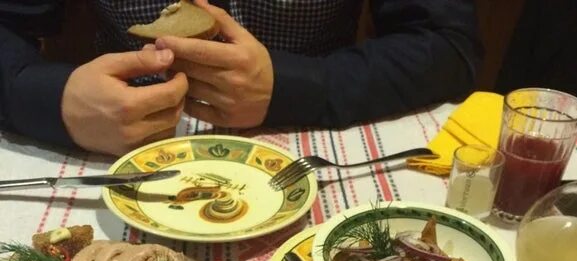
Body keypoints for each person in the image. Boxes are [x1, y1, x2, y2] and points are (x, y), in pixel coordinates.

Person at [0, 0, 480, 156]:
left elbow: (448, 43)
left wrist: (295, 86)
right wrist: (50, 98)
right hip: (109, 148)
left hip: (315, 149)